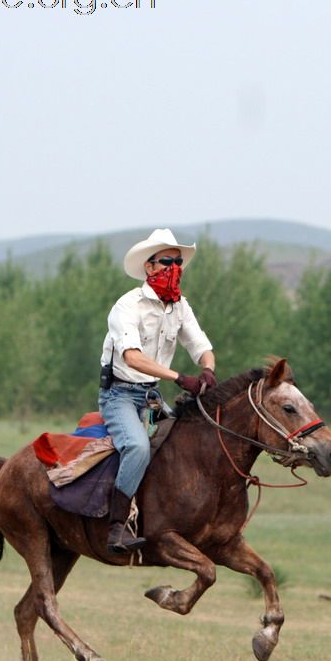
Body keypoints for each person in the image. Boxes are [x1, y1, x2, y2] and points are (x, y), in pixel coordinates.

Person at [98, 228, 216, 554]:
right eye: (167, 261)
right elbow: (132, 357)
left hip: (151, 396)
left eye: (178, 262)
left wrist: (207, 368)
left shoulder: (180, 306)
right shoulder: (127, 306)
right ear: (149, 267)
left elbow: (200, 345)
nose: (174, 268)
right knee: (137, 446)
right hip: (119, 395)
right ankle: (116, 528)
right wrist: (180, 377)